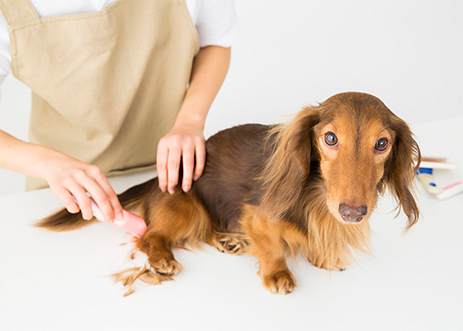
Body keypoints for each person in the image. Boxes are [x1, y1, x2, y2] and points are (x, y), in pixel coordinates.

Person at [0, 0, 237, 223]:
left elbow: (215, 42)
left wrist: (190, 121)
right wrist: (46, 163)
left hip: (171, 174)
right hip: (61, 190)